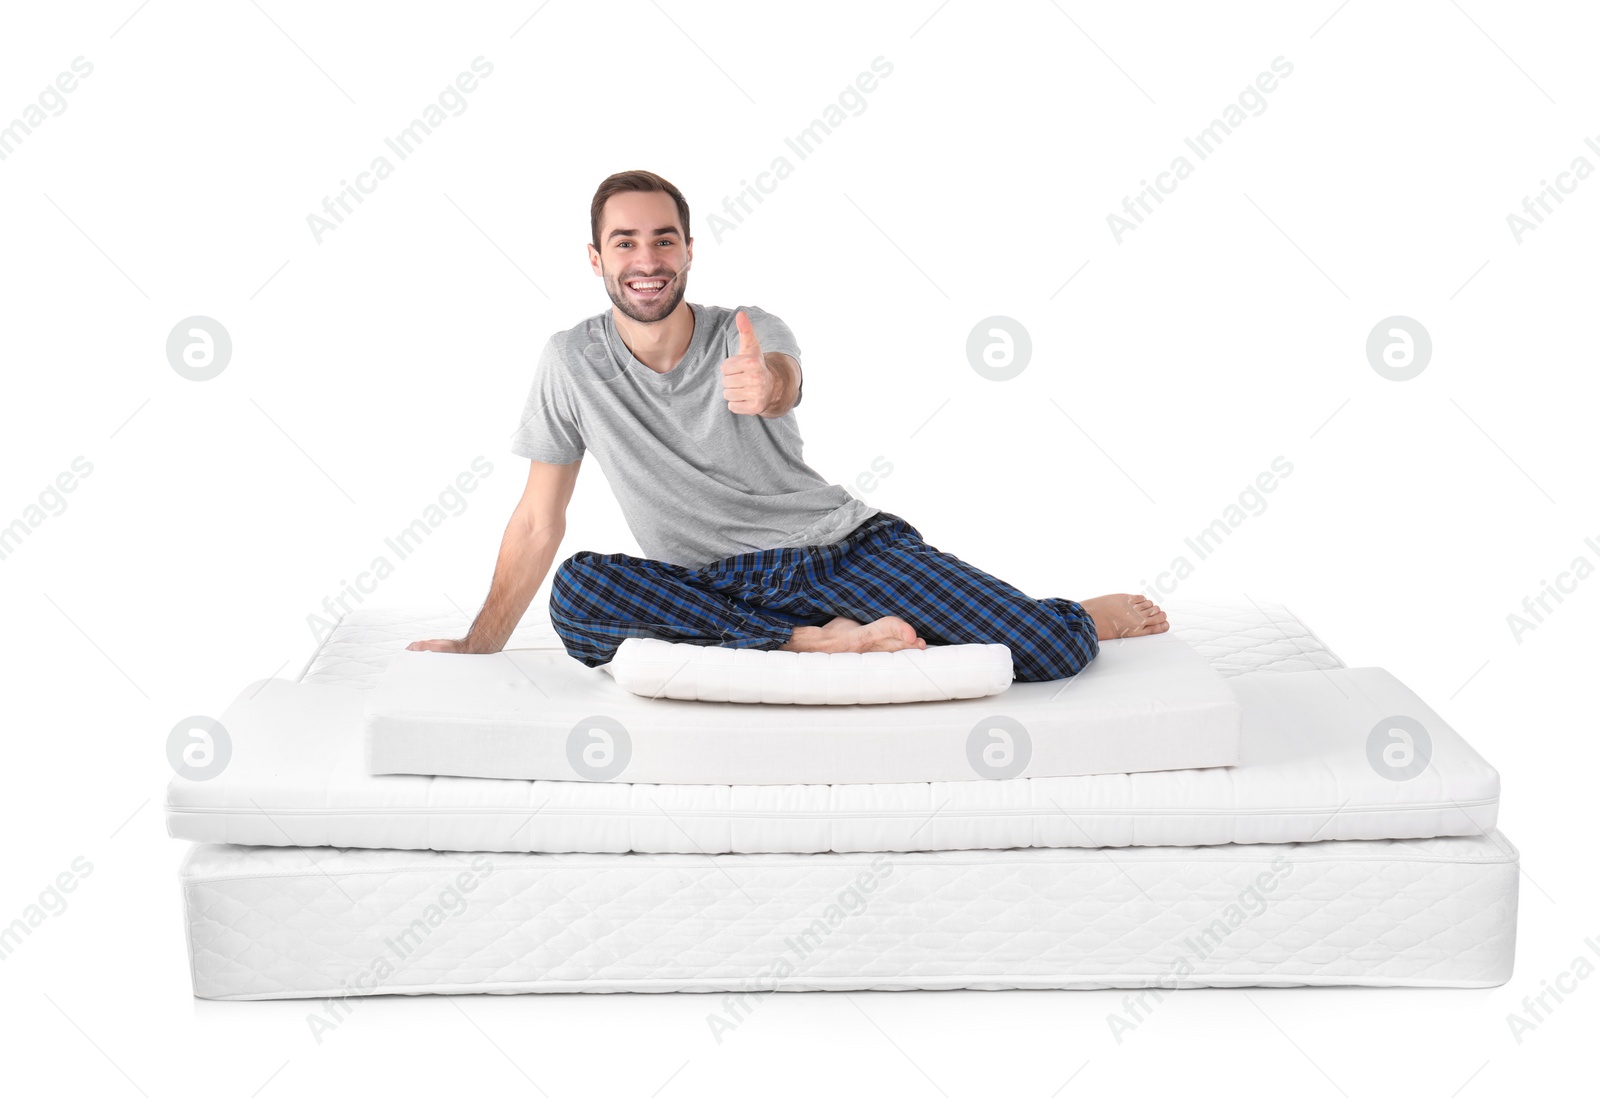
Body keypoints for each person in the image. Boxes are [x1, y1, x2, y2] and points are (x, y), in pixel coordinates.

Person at [408, 170, 1167, 681]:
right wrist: (481, 643)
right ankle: (820, 641)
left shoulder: (748, 325)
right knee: (578, 596)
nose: (647, 259)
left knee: (1046, 649)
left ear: (689, 251)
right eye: (626, 242)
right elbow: (541, 520)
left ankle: (1071, 613)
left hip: (837, 553)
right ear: (596, 257)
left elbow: (783, 380)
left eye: (664, 239)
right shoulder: (569, 362)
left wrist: (767, 383)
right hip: (714, 587)